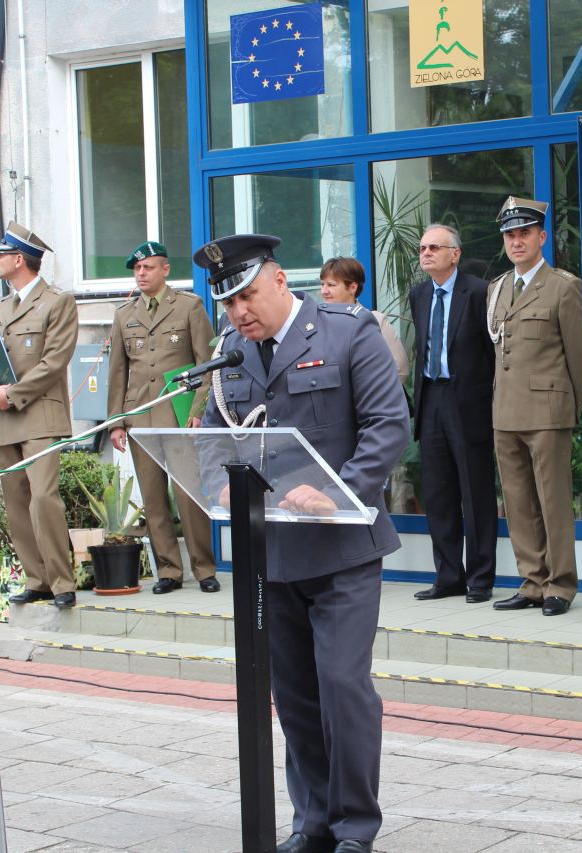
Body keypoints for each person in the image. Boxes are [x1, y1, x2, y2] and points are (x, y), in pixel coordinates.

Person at [194, 234, 409, 853]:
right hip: (272, 553)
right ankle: (311, 822)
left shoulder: (348, 331)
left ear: (281, 280)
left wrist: (340, 490)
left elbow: (388, 425)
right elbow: (210, 434)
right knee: (293, 697)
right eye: (228, 302)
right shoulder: (232, 351)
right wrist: (219, 485)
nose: (239, 312)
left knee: (341, 687)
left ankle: (354, 828)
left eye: (248, 296)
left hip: (342, 550)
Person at [487, 197, 582, 618]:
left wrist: (577, 407)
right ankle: (532, 582)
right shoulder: (497, 288)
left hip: (547, 410)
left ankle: (560, 585)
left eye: (524, 233)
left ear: (542, 237)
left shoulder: (562, 286)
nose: (516, 241)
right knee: (517, 502)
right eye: (510, 235)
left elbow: (576, 354)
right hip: (505, 409)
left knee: (552, 501)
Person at [107, 240, 220, 595]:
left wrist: (198, 410)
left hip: (178, 413)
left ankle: (204, 568)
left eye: (148, 267)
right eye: (137, 269)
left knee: (188, 494)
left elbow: (207, 364)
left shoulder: (188, 306)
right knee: (153, 498)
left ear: (165, 269)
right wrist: (116, 421)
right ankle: (169, 571)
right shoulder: (124, 315)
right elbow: (117, 372)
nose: (141, 274)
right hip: (140, 415)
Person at [0, 223, 80, 609]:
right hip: (5, 418)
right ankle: (37, 580)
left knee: (43, 499)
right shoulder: (3, 307)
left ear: (19, 259)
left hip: (39, 415)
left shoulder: (57, 302)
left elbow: (54, 361)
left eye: (0, 255)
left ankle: (62, 582)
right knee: (16, 503)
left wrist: (13, 394)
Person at [408, 224, 497, 603]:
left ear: (455, 254)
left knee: (475, 492)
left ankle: (480, 579)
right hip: (431, 398)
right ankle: (448, 577)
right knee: (438, 493)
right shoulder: (419, 294)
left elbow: (492, 352)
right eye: (422, 248)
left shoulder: (478, 292)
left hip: (468, 402)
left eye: (434, 247)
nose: (426, 253)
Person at [319, 256, 409, 382]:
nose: (324, 291)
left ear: (352, 287)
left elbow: (400, 369)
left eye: (331, 285)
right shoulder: (315, 322)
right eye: (322, 284)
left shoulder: (375, 320)